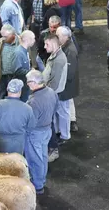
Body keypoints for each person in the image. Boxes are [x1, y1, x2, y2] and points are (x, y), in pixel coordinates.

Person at [25, 70, 58, 194]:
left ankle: (37, 186)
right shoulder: (51, 92)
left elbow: (31, 122)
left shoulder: (34, 101)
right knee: (43, 156)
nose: (27, 85)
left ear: (34, 83)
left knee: (34, 159)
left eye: (28, 82)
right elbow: (56, 108)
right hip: (47, 130)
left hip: (35, 133)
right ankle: (42, 180)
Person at [36, 34, 67, 162]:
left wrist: (44, 93)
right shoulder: (54, 56)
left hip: (51, 95)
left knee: (49, 123)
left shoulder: (58, 60)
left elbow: (54, 83)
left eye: (46, 44)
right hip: (50, 94)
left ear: (53, 44)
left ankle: (53, 149)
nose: (44, 46)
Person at [56, 26, 79, 135]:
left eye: (58, 35)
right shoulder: (65, 46)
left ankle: (67, 128)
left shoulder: (70, 50)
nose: (56, 37)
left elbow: (69, 72)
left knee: (66, 105)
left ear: (65, 37)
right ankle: (71, 122)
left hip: (67, 83)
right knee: (68, 102)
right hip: (66, 83)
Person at [0, 24, 20, 99]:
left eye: (5, 37)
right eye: (2, 36)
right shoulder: (0, 42)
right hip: (3, 75)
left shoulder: (20, 42)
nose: (3, 39)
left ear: (12, 35)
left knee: (13, 95)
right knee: (2, 94)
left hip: (15, 75)